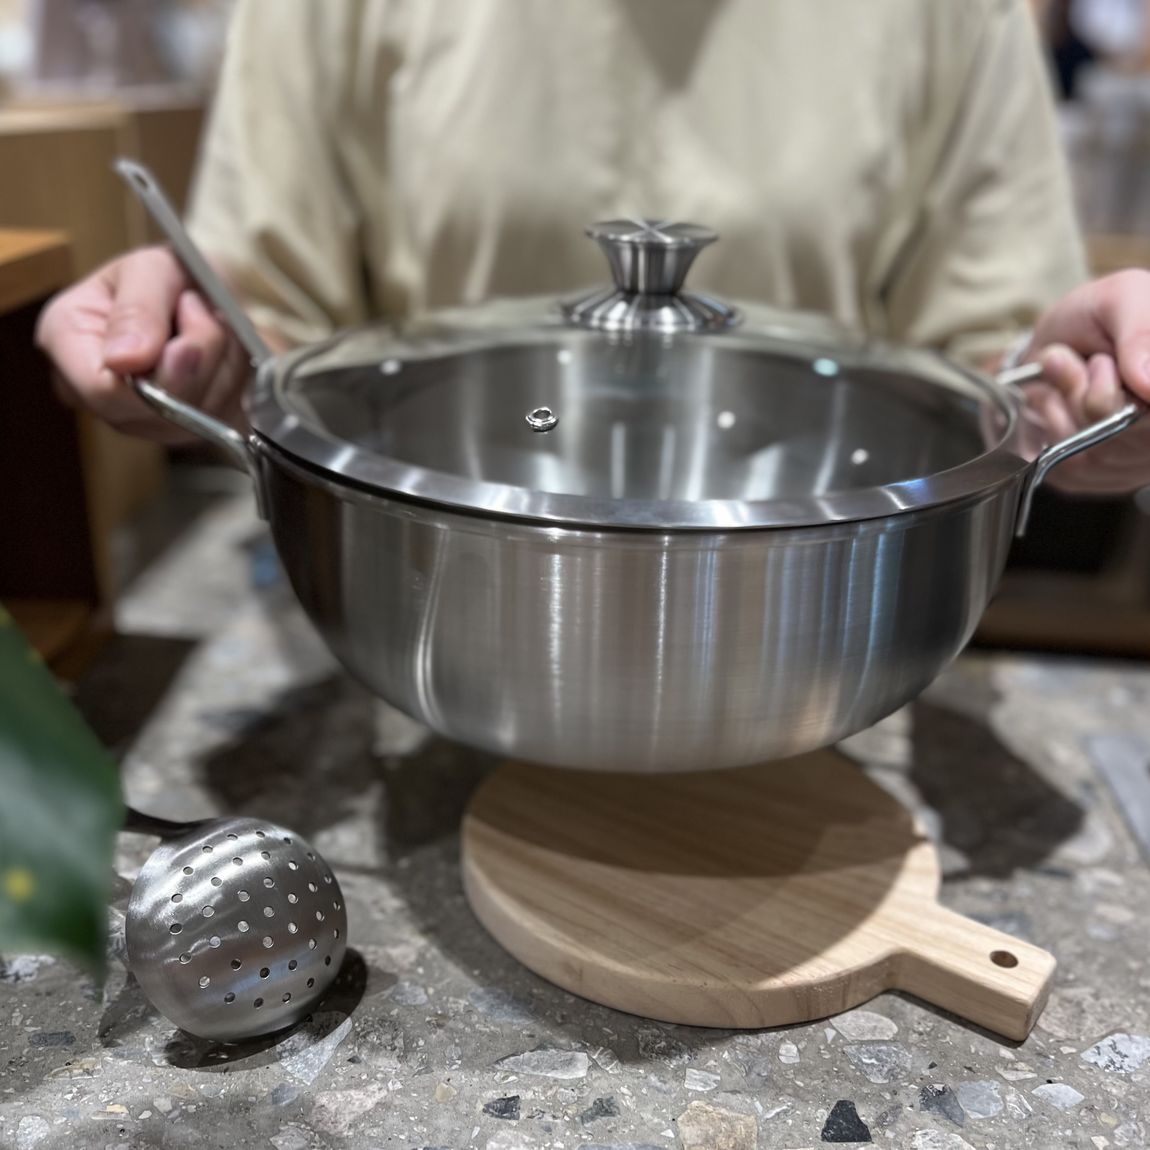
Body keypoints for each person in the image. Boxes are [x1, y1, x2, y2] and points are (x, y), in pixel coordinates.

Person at [36, 0, 1150, 493]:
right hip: (423, 606)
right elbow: (273, 335)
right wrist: (188, 341)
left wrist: (1075, 396)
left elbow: (990, 373)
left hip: (818, 629)